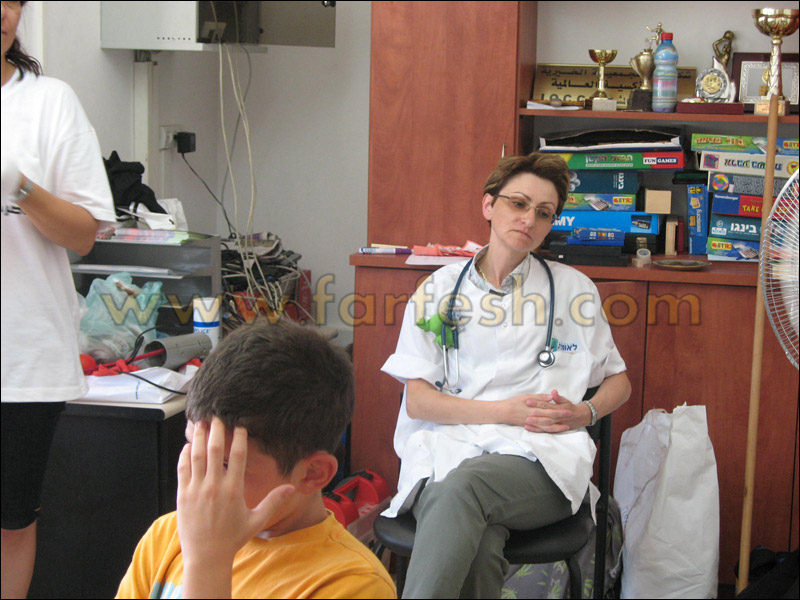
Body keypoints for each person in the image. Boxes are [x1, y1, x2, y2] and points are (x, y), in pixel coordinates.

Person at [381, 152, 632, 598]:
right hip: (448, 450)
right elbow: (418, 402)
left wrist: (586, 412)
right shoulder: (439, 289)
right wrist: (506, 411)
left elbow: (618, 381)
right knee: (478, 541)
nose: (529, 219)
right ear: (488, 205)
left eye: (544, 212)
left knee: (461, 490)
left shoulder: (573, 290)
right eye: (518, 203)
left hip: (541, 460)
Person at [116, 320, 396, 599]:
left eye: (225, 465)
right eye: (195, 450)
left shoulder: (355, 585)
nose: (198, 481)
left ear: (312, 473)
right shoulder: (167, 536)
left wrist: (207, 561)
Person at [1, 1, 117, 597]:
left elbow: (83, 235)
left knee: (10, 520)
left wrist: (20, 187)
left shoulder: (49, 102)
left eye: (12, 0)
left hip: (20, 358)